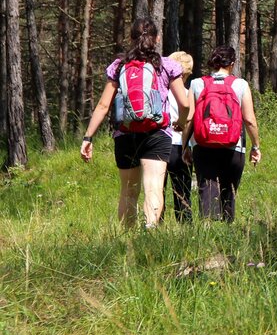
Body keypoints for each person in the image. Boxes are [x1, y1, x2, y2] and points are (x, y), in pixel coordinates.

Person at [80, 19, 192, 229]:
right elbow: (184, 103)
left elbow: (104, 105)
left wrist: (88, 137)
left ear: (131, 39)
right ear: (157, 39)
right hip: (157, 133)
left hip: (125, 133)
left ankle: (127, 238)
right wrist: (180, 121)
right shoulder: (167, 65)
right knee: (154, 186)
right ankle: (149, 230)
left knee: (128, 190)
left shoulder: (119, 65)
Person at [185, 46, 261, 222]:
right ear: (232, 64)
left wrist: (186, 146)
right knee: (229, 191)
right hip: (233, 146)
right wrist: (255, 146)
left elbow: (189, 119)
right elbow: (249, 120)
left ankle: (207, 231)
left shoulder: (197, 83)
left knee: (207, 188)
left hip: (202, 144)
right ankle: (227, 232)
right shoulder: (240, 84)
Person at [165, 51, 195, 223]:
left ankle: (155, 224)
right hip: (182, 146)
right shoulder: (187, 94)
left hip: (161, 144)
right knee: (183, 192)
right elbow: (190, 123)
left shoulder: (163, 92)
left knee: (157, 190)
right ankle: (185, 226)